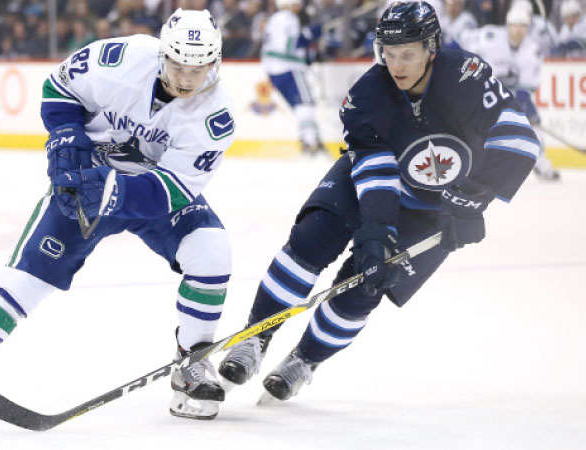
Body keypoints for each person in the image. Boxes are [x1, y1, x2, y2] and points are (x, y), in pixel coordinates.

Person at [0, 8, 235, 422]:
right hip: (85, 183)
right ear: (162, 55)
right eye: (177, 65)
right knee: (29, 275)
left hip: (149, 193)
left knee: (212, 251)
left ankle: (193, 360)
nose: (186, 78)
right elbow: (59, 87)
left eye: (199, 68)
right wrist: (67, 139)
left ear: (216, 62)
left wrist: (117, 191)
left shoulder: (216, 115)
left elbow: (176, 188)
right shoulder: (119, 59)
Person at [218, 1, 538, 402]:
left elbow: (518, 138)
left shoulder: (465, 76)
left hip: (435, 207)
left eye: (408, 54)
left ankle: (305, 360)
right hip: (367, 187)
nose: (397, 65)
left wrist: (473, 198)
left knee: (365, 288)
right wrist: (377, 228)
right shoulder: (367, 94)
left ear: (431, 48)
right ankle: (254, 339)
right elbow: (375, 170)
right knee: (311, 240)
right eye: (389, 54)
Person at [461, 5, 560, 180]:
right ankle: (468, 165)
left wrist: (520, 102)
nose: (518, 30)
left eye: (522, 26)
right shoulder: (490, 36)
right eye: (515, 25)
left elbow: (526, 89)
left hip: (512, 96)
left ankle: (542, 165)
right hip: (485, 93)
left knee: (535, 123)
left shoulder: (532, 51)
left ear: (527, 27)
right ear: (508, 25)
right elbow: (461, 39)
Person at [261, 0, 327, 156]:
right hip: (290, 67)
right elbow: (291, 45)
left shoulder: (274, 19)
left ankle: (307, 139)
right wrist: (309, 35)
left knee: (299, 106)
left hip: (273, 70)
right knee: (305, 104)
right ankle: (312, 143)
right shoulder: (289, 18)